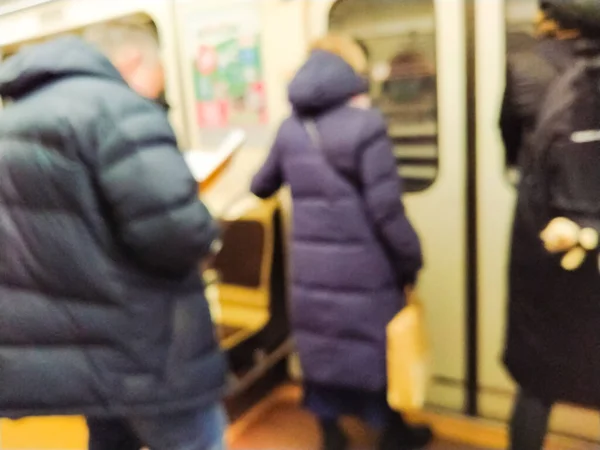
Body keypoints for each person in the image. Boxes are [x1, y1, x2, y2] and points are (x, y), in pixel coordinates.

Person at [0, 22, 226, 450]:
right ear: (134, 60)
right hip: (149, 349)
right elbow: (175, 234)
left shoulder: (11, 121)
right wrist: (207, 235)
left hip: (80, 352)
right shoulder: (121, 109)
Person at [250, 34, 432, 450]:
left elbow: (261, 186)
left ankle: (330, 435)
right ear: (350, 70)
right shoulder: (366, 125)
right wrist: (411, 259)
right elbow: (386, 211)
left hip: (310, 270)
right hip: (364, 268)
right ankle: (392, 433)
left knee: (323, 347)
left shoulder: (290, 128)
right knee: (372, 349)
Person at [501, 1, 600, 449]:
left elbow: (506, 140)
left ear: (550, 18)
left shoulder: (525, 65)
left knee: (537, 375)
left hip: (543, 235)